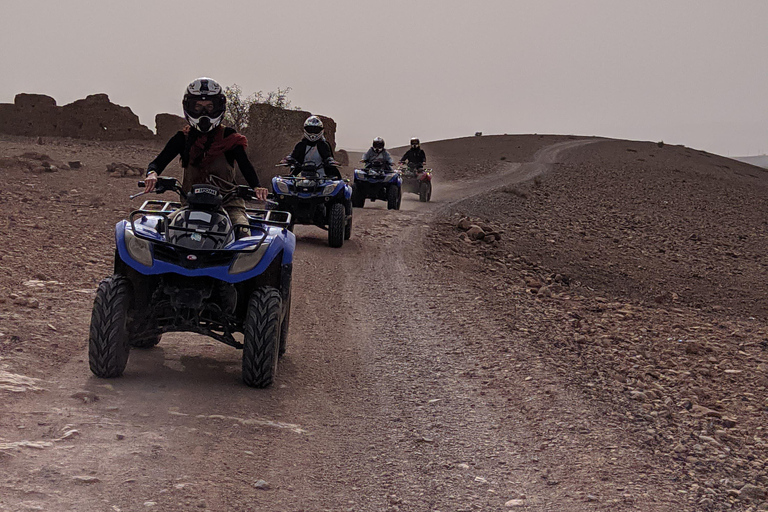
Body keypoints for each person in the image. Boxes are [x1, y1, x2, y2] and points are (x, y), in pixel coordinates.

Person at [143, 77, 268, 238]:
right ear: (189, 107)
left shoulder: (230, 137)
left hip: (228, 206)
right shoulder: (183, 138)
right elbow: (158, 162)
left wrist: (256, 186)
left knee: (243, 234)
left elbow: (245, 164)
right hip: (191, 205)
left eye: (209, 107)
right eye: (198, 107)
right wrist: (152, 174)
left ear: (219, 108)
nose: (204, 113)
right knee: (161, 230)